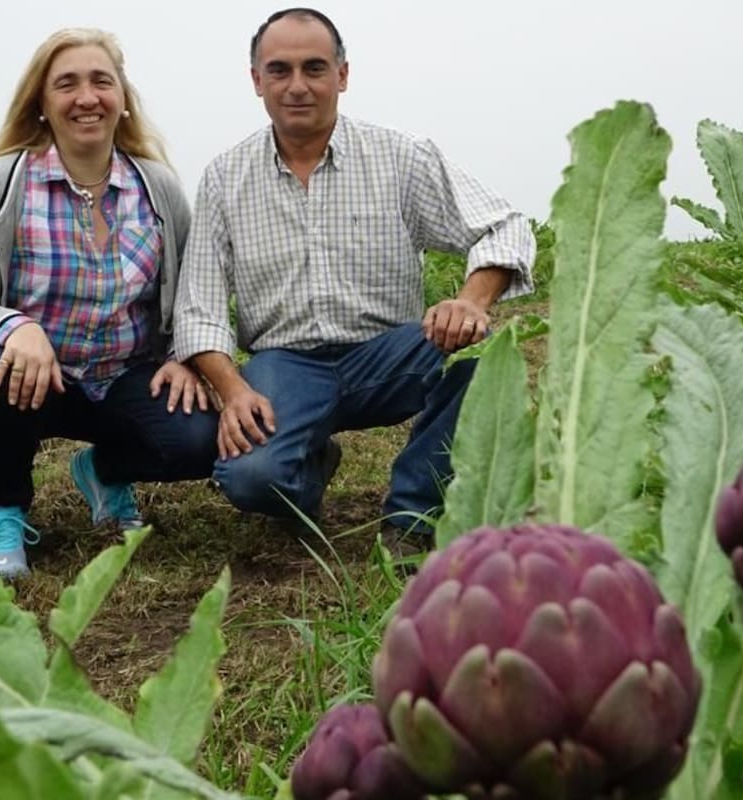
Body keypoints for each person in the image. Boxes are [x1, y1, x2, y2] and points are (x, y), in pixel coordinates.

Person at [174, 8, 536, 553]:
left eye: (314, 68)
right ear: (256, 81)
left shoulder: (399, 157)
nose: (297, 86)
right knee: (251, 477)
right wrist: (233, 389)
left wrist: (470, 301)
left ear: (342, 75)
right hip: (286, 363)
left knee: (477, 355)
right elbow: (197, 305)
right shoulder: (226, 179)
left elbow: (503, 226)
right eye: (279, 70)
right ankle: (307, 467)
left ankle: (413, 514)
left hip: (389, 354)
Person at [0, 28, 218, 579]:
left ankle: (105, 470)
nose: (86, 97)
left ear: (123, 98)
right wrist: (14, 326)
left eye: (101, 82)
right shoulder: (8, 181)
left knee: (197, 440)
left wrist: (185, 358)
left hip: (126, 374)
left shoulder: (157, 187)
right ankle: (4, 512)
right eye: (66, 84)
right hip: (38, 379)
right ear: (42, 103)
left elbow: (191, 291)